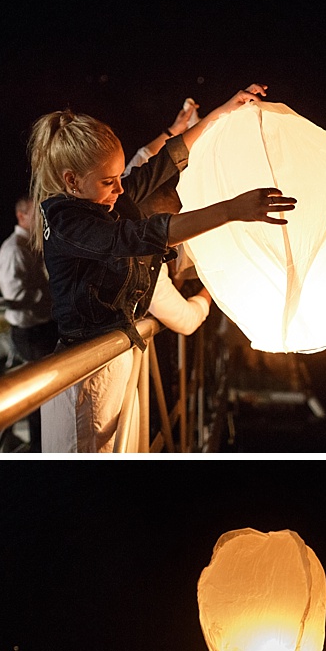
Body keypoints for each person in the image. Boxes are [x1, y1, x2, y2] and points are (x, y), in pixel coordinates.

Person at [29, 83, 294, 452]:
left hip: (115, 355)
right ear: (71, 180)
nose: (120, 190)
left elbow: (161, 165)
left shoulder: (102, 203)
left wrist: (222, 111)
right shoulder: (69, 224)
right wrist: (232, 210)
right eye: (109, 182)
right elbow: (138, 236)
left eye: (119, 178)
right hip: (85, 374)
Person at [0, 197, 56, 447]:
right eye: (36, 215)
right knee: (39, 396)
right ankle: (40, 447)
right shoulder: (13, 250)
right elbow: (16, 297)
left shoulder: (29, 245)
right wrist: (51, 294)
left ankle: (48, 444)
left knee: (47, 392)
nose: (42, 220)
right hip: (30, 332)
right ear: (21, 216)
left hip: (42, 327)